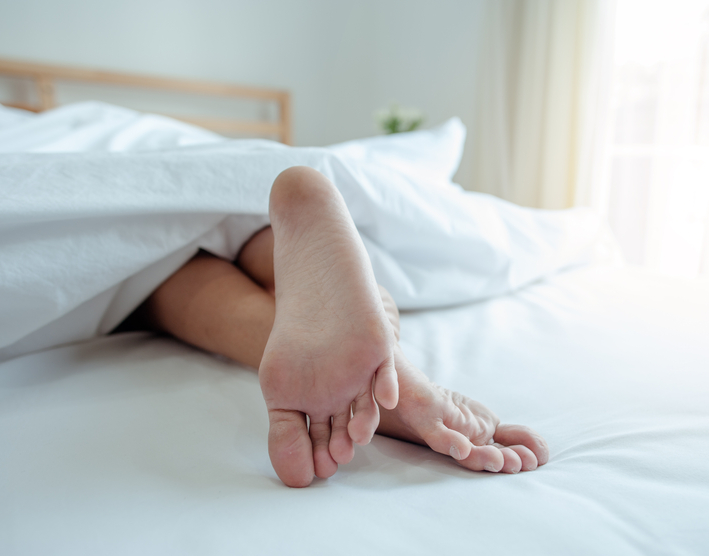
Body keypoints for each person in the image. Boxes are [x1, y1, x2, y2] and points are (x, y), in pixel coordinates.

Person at [136, 166, 549, 487]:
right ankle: (375, 380)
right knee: (247, 241)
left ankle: (363, 380)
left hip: (148, 217)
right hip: (237, 201)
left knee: (146, 273)